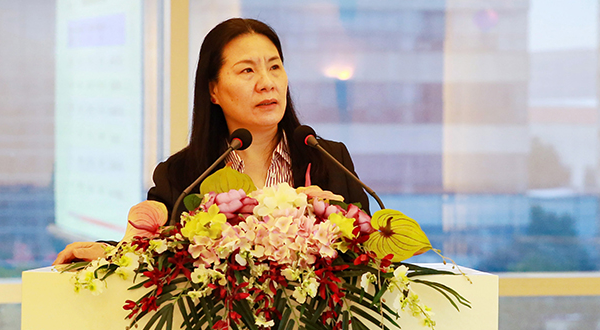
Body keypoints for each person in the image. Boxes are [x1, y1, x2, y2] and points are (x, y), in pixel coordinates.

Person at [54, 18, 368, 265]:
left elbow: (366, 253)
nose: (267, 83)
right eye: (247, 70)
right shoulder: (181, 175)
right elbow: (152, 251)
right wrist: (109, 254)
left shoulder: (330, 160)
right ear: (213, 90)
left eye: (274, 67)